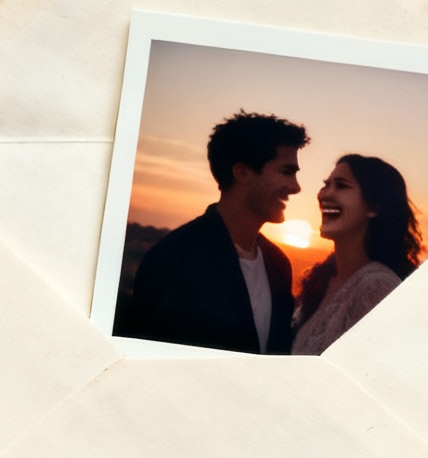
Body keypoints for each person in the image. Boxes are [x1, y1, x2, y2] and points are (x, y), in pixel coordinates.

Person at [117, 111, 308, 354]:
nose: (296, 186)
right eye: (286, 171)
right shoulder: (173, 259)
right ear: (242, 173)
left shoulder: (278, 264)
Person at [291, 155, 422, 355]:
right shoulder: (323, 279)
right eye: (326, 184)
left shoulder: (377, 288)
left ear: (373, 207)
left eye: (341, 186)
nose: (325, 194)